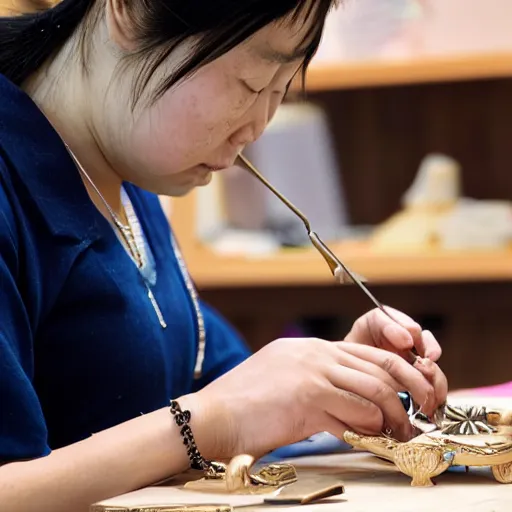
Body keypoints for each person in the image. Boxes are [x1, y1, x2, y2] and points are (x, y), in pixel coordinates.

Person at [0, 0, 448, 510]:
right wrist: (214, 421)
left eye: (281, 90)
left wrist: (339, 384)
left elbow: (223, 394)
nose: (253, 132)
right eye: (251, 86)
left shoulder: (125, 177)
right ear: (127, 10)